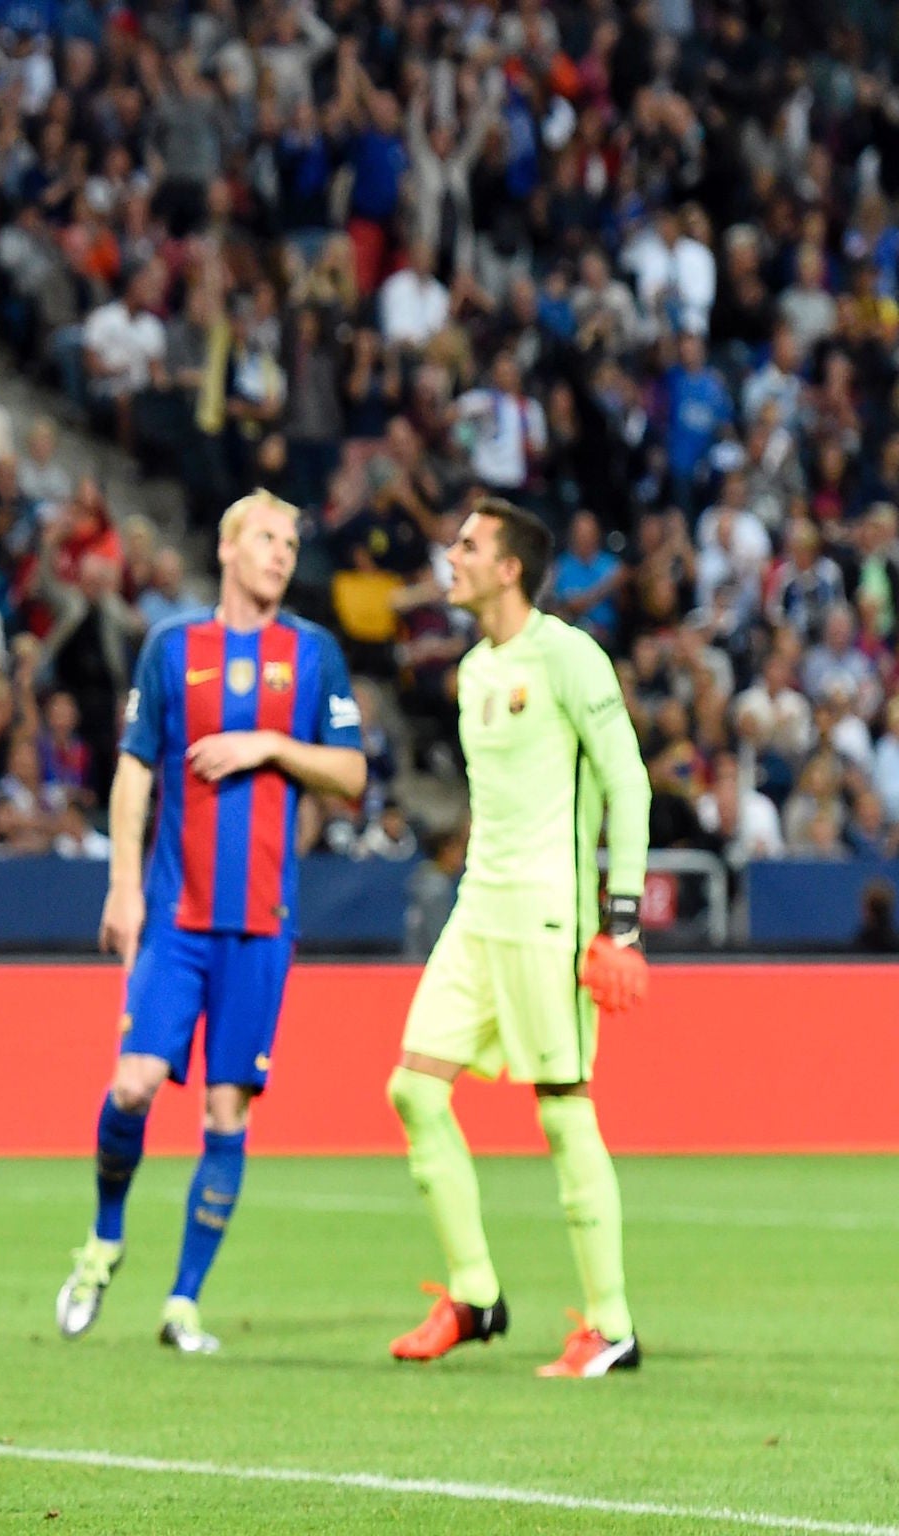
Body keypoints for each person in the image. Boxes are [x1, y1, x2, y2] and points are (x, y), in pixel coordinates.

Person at [54, 491, 365, 1354]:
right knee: (135, 1085)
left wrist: (267, 746)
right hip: (178, 922)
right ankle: (105, 1237)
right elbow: (133, 771)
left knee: (228, 1111)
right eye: (267, 538)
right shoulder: (171, 647)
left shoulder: (312, 656)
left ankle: (183, 1301)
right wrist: (123, 885)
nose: (281, 553)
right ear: (228, 548)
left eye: (292, 542)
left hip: (263, 926)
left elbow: (349, 772)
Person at [385, 498, 650, 1378]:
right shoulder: (472, 672)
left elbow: (628, 785)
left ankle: (609, 1325)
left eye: (466, 546)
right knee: (414, 1092)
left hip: (548, 919)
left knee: (564, 1111)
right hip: (477, 913)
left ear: (509, 569)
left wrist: (621, 924)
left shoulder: (568, 655)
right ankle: (474, 1297)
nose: (449, 557)